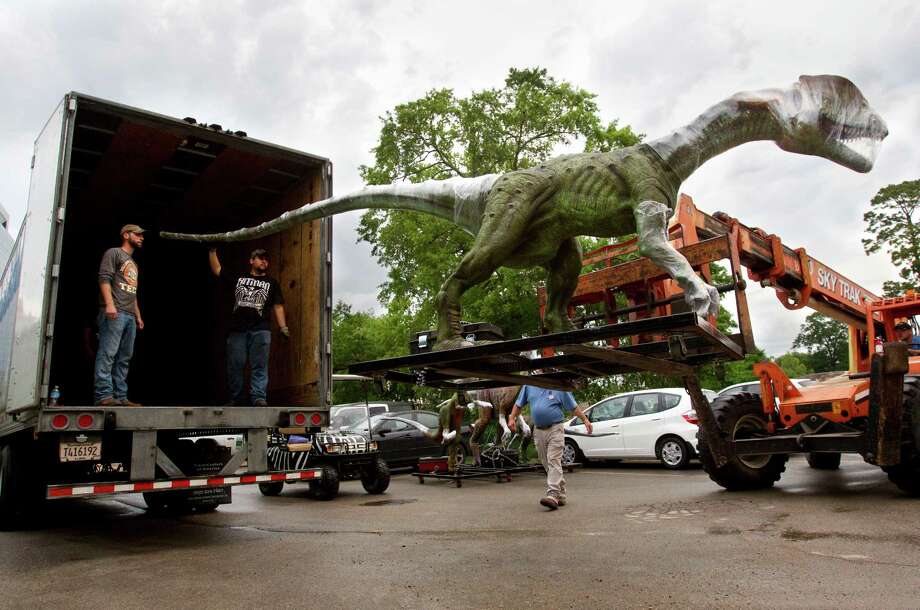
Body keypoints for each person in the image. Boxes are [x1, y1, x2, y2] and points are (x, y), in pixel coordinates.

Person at [209, 247, 288, 406]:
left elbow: (278, 305)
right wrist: (212, 251)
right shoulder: (239, 278)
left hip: (261, 329)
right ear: (251, 261)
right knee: (235, 364)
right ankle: (236, 399)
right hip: (237, 330)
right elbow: (217, 269)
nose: (264, 261)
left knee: (259, 365)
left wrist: (283, 327)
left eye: (266, 259)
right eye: (260, 258)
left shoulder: (272, 283)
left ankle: (258, 398)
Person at [509, 385, 591, 510]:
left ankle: (552, 494)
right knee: (546, 462)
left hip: (555, 428)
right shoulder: (529, 385)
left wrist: (585, 420)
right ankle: (561, 494)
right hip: (538, 430)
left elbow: (573, 406)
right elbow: (519, 404)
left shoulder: (558, 386)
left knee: (553, 460)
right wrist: (511, 417)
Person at [94, 224, 145, 406]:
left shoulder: (134, 263)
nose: (141, 238)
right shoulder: (113, 253)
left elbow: (133, 291)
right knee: (108, 354)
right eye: (137, 235)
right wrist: (109, 304)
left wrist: (137, 315)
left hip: (129, 315)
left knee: (124, 357)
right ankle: (104, 396)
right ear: (126, 235)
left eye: (141, 235)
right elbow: (104, 278)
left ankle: (121, 397)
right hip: (114, 312)